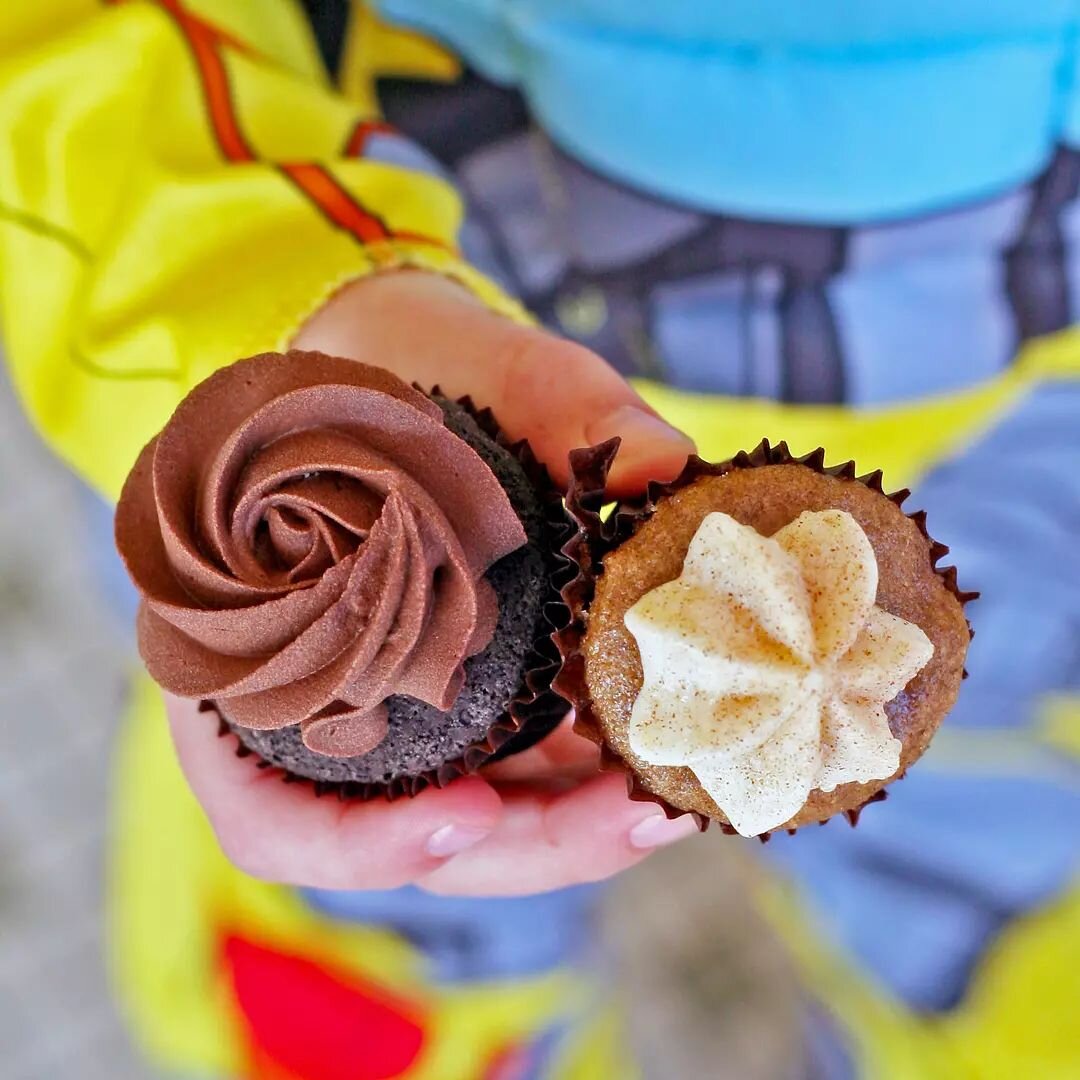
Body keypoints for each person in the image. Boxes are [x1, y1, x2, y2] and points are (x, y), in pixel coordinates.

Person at [1, 2, 1077, 1077]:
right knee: (376, 975)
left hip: (1037, 434)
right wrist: (281, 322)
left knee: (1016, 899)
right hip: (378, 322)